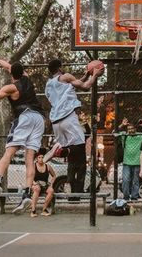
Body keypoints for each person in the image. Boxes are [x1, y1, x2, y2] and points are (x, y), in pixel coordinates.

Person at [0, 58, 45, 215]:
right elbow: (11, 67)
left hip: (25, 117)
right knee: (29, 158)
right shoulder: (27, 78)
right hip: (39, 119)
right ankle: (26, 193)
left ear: (12, 74)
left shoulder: (11, 87)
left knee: (9, 152)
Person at [43, 59, 103, 199]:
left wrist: (86, 74)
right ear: (60, 67)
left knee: (72, 157)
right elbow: (86, 86)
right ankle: (61, 150)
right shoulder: (66, 76)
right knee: (80, 147)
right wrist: (94, 74)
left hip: (56, 122)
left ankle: (72, 191)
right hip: (68, 118)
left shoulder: (48, 84)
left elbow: (73, 84)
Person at [119, 121, 142, 201]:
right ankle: (126, 197)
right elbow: (115, 132)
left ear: (135, 129)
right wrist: (122, 124)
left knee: (135, 181)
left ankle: (134, 197)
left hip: (137, 162)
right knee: (126, 180)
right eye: (128, 129)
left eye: (131, 129)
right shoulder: (125, 135)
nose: (130, 130)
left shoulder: (140, 136)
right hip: (126, 162)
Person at [30, 148, 56, 217]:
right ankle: (33, 210)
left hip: (45, 185)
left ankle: (44, 210)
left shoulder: (47, 166)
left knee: (51, 191)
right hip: (36, 184)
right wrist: (33, 183)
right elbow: (29, 176)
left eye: (42, 157)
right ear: (36, 158)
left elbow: (54, 176)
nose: (41, 159)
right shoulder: (33, 166)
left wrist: (51, 184)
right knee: (37, 189)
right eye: (39, 157)